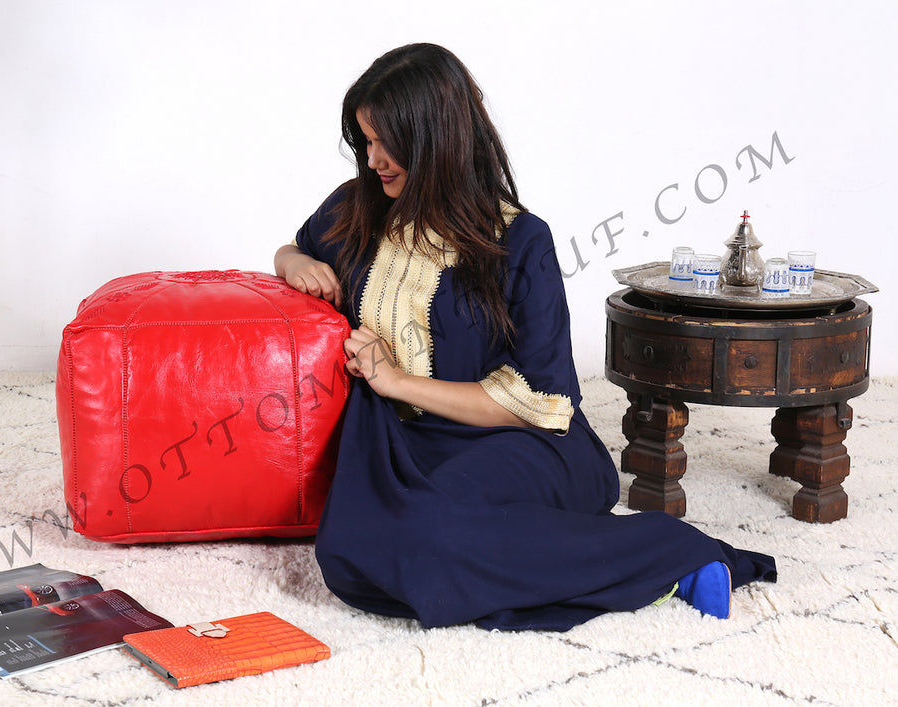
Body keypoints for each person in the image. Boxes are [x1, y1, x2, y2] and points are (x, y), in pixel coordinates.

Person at [274, 43, 776, 631]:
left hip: (531, 445)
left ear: (437, 138)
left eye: (387, 141)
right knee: (351, 553)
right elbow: (295, 245)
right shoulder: (356, 209)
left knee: (427, 531)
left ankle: (674, 553)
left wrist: (398, 381)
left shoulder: (520, 243)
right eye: (365, 140)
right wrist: (291, 262)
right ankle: (619, 568)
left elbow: (543, 400)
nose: (373, 157)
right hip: (406, 445)